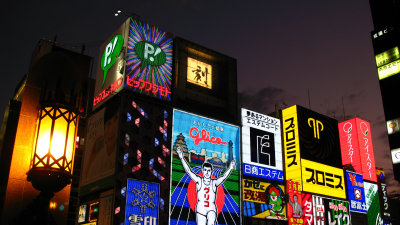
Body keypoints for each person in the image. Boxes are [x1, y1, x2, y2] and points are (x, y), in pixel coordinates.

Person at [176, 147, 236, 225]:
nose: (207, 172)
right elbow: (188, 171)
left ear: (211, 172)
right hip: (200, 209)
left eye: (208, 170)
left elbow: (223, 177)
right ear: (203, 171)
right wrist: (181, 157)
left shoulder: (214, 182)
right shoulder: (199, 180)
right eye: (205, 170)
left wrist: (230, 168)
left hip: (211, 209)